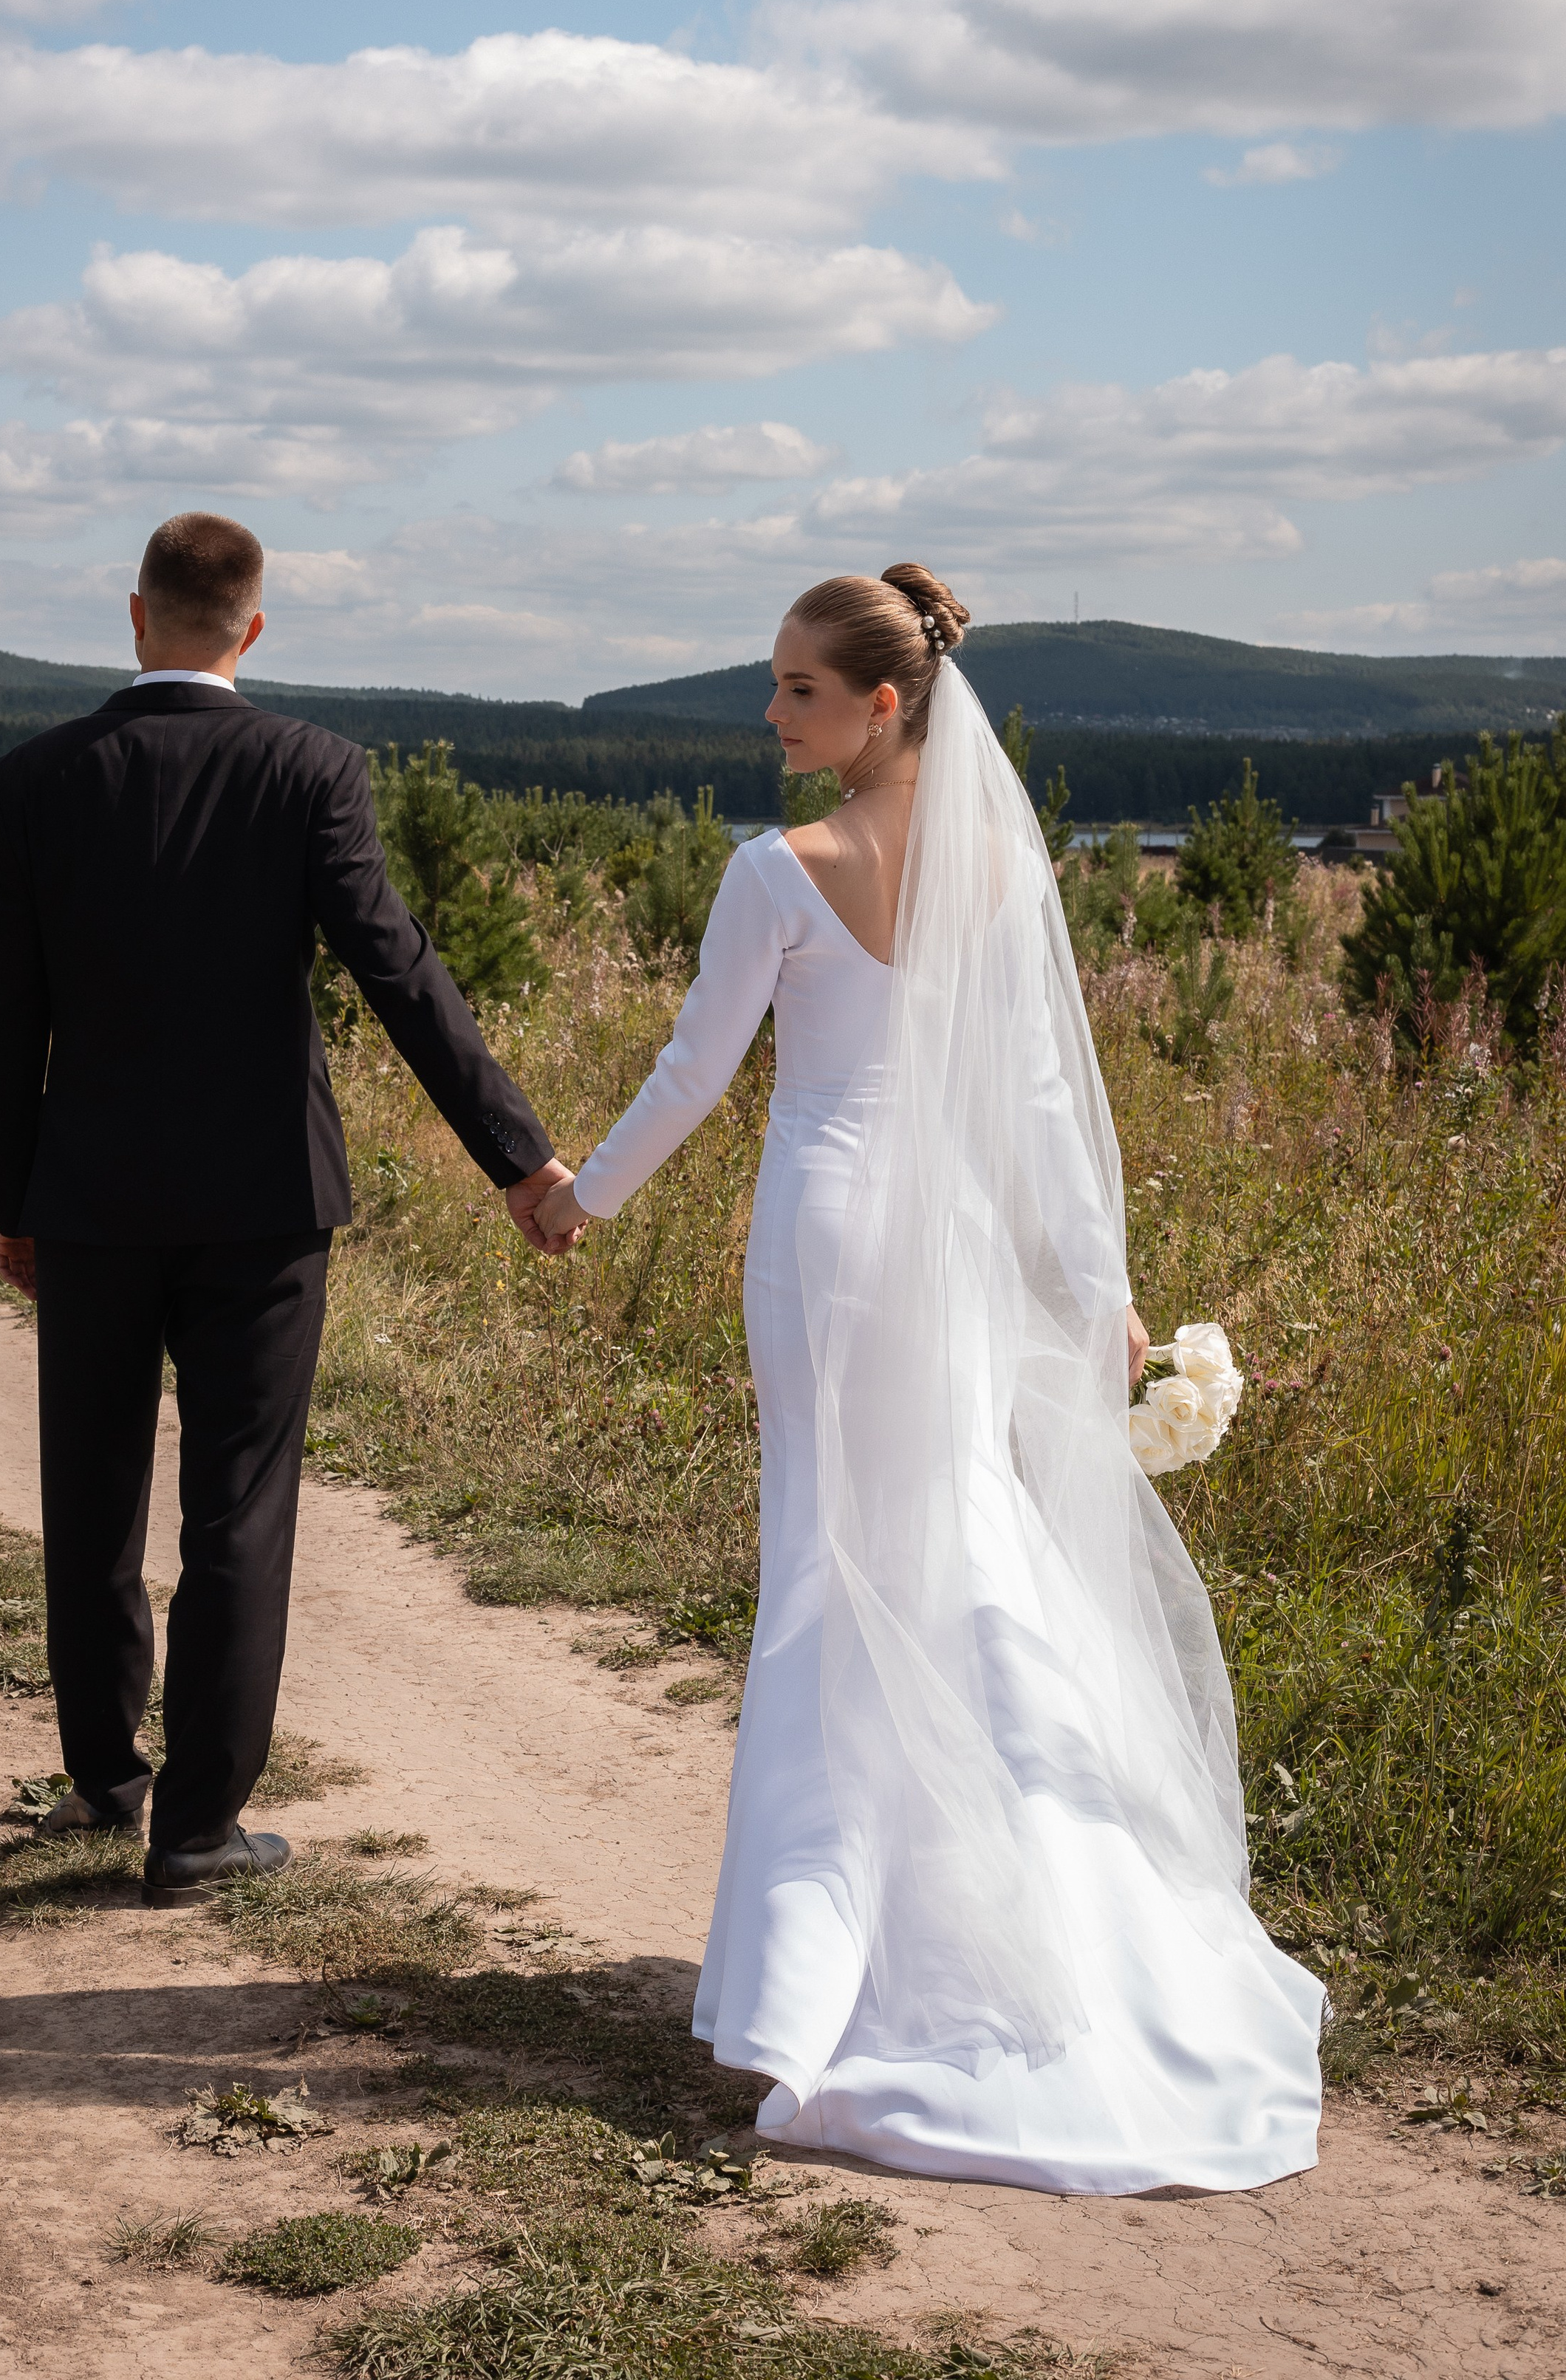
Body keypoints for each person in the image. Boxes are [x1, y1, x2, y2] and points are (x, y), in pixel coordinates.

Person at [535, 564, 1323, 2194]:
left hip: (830, 1241)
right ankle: (1016, 1925)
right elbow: (1039, 1105)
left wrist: (580, 1195)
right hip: (954, 1240)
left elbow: (697, 1069)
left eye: (798, 693)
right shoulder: (991, 868)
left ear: (883, 704)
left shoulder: (780, 870)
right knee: (951, 1549)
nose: (772, 715)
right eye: (771, 686)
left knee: (836, 1566)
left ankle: (828, 1980)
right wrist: (1096, 1292)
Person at [0, 513, 574, 1907]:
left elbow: (10, 1020)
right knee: (239, 1505)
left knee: (92, 1490)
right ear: (253, 629)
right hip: (262, 1206)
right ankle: (195, 1829)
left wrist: (19, 1203)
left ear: (135, 618)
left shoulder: (34, 781)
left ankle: (107, 1779)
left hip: (94, 1202)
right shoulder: (312, 769)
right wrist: (519, 1161)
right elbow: (399, 973)